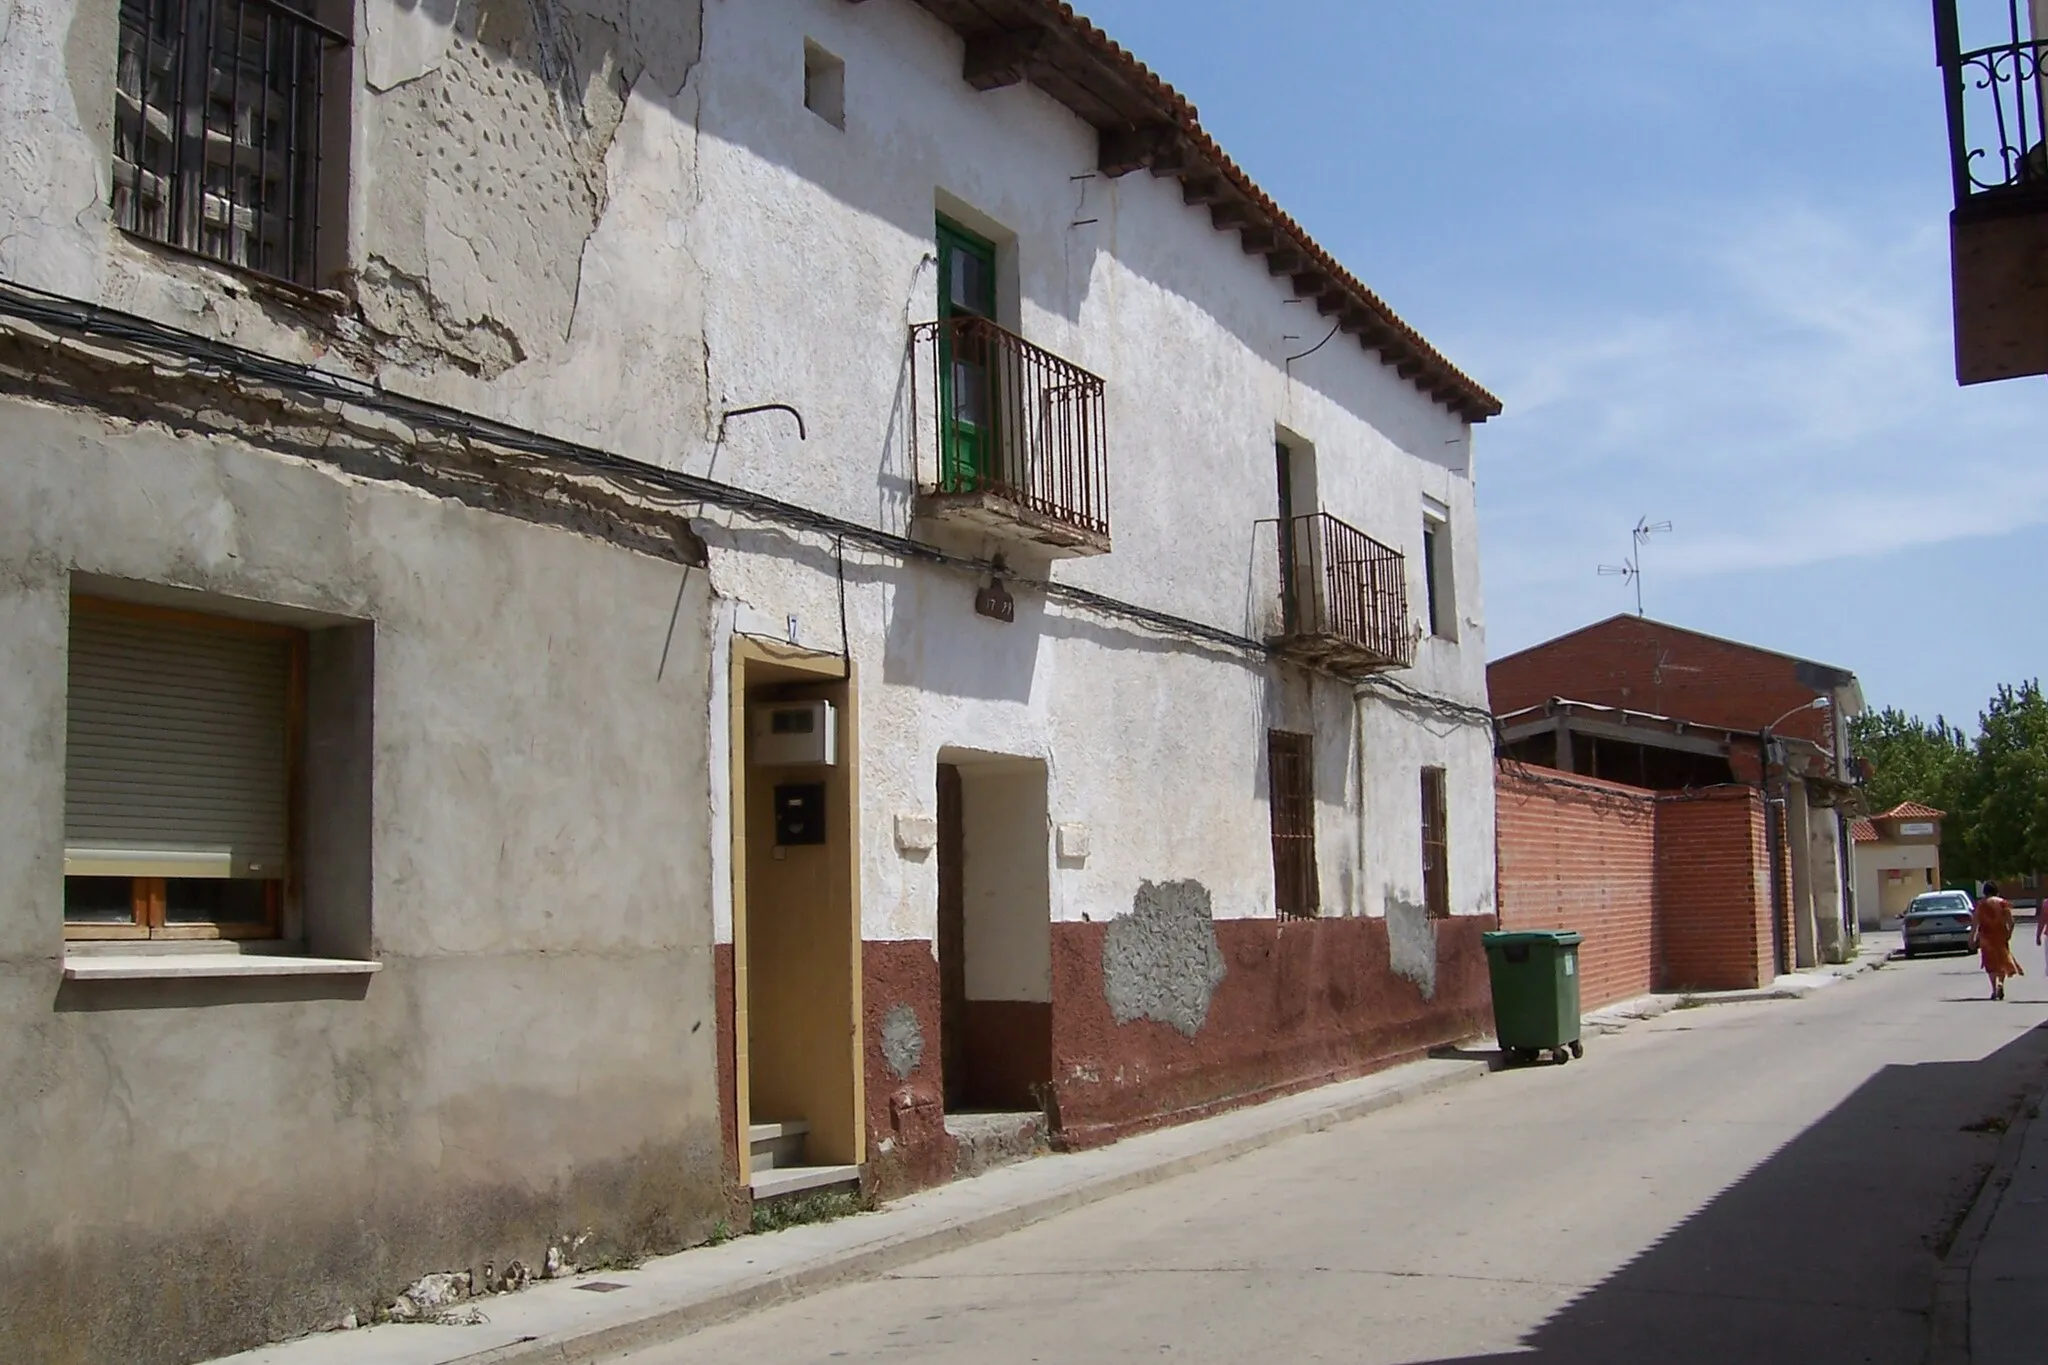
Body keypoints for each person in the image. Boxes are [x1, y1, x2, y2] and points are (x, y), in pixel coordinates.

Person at [1975, 882, 2023, 1001]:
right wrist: (2009, 934)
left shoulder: (1981, 905)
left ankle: (1993, 988)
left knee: (1990, 963)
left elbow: (1975, 922)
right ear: (1997, 891)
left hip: (1986, 937)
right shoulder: (2003, 903)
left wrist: (1972, 937)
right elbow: (2011, 922)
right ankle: (2000, 983)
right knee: (2001, 961)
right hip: (2000, 935)